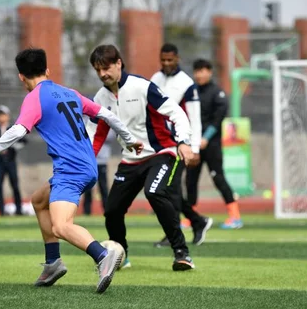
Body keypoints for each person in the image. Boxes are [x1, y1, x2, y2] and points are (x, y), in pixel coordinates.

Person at [0, 47, 143, 293]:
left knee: (60, 226)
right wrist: (128, 140)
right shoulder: (69, 92)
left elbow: (18, 130)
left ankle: (103, 255)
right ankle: (53, 262)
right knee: (39, 200)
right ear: (47, 70)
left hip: (71, 170)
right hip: (87, 166)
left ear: (21, 76)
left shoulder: (34, 98)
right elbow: (107, 114)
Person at [86, 44, 196, 271]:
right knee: (112, 210)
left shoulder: (142, 87)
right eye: (97, 70)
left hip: (161, 154)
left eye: (106, 68)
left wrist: (183, 142)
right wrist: (85, 163)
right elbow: (96, 135)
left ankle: (182, 253)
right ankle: (120, 256)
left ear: (118, 63)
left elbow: (177, 113)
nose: (102, 74)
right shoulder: (100, 97)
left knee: (154, 192)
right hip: (129, 161)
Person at [150, 43, 213, 247]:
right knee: (169, 189)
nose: (167, 63)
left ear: (177, 59)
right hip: (161, 143)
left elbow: (194, 119)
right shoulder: (155, 79)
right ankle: (197, 221)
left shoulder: (187, 84)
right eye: (163, 60)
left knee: (171, 189)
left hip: (181, 144)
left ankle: (175, 234)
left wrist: (193, 149)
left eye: (170, 60)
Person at [190, 59, 242, 229]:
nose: (199, 74)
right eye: (196, 71)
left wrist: (206, 137)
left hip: (211, 145)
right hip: (194, 145)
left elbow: (218, 118)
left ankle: (235, 216)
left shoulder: (217, 92)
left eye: (202, 71)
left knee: (218, 178)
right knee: (190, 180)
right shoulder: (192, 92)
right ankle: (190, 217)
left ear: (209, 72)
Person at [0, 105, 26, 216]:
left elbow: (24, 140)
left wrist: (13, 146)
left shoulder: (13, 128)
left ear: (8, 116)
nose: (1, 117)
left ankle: (19, 210)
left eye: (3, 115)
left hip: (11, 161)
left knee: (15, 186)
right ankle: (1, 211)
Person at [82, 129, 113, 215]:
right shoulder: (87, 122)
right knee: (87, 187)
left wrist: (97, 134)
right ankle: (86, 211)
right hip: (89, 160)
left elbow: (110, 136)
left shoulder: (105, 121)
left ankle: (107, 210)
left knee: (103, 186)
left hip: (102, 160)